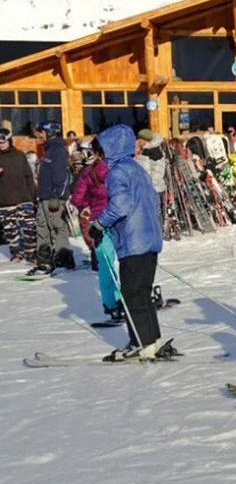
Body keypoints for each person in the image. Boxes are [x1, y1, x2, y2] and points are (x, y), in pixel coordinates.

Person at [90, 124, 167, 361]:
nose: (99, 158)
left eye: (100, 152)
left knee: (132, 294)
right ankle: (151, 340)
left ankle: (140, 343)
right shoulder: (137, 168)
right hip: (149, 239)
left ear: (110, 149)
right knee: (142, 294)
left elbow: (119, 206)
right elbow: (153, 200)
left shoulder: (118, 172)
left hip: (134, 242)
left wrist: (98, 225)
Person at [71, 138, 122, 321]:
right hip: (106, 222)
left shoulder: (100, 170)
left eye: (88, 153)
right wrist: (87, 207)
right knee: (107, 264)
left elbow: (77, 199)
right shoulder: (99, 170)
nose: (86, 157)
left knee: (112, 262)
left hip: (110, 220)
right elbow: (76, 198)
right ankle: (114, 303)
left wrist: (86, 206)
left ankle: (118, 301)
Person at [31, 122, 73, 275]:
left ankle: (63, 260)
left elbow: (62, 177)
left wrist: (57, 197)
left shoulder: (58, 150)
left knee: (57, 227)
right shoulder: (48, 149)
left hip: (54, 198)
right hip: (44, 197)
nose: (40, 135)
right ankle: (45, 260)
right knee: (42, 227)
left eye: (42, 132)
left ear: (50, 132)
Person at [0, 127, 38, 263]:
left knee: (30, 229)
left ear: (9, 140)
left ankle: (31, 254)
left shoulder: (20, 155)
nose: (1, 144)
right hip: (4, 201)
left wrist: (33, 197)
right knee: (11, 231)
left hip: (24, 198)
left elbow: (29, 176)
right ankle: (16, 253)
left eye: (3, 142)